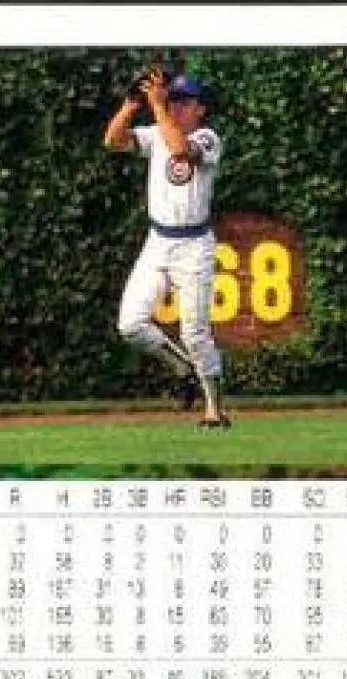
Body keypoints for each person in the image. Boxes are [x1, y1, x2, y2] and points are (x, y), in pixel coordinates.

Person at [103, 70, 230, 429]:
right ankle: (184, 369)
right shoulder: (158, 131)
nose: (175, 107)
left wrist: (157, 106)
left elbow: (180, 149)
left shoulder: (208, 138)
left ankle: (215, 410)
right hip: (158, 242)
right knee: (130, 324)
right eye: (173, 100)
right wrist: (131, 103)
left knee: (195, 332)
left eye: (184, 102)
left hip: (194, 245)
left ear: (200, 109)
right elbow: (113, 140)